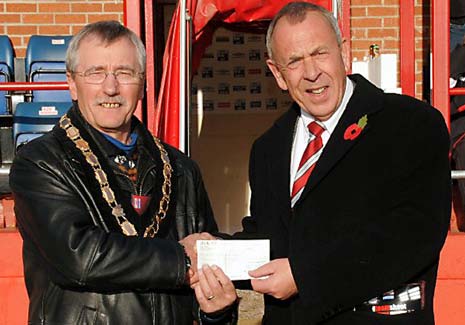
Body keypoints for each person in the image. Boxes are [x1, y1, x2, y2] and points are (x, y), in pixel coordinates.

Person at [233, 2, 451, 324]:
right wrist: (214, 252)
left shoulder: (412, 125)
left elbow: (413, 233)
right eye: (294, 61)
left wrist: (305, 276)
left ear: (342, 51)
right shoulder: (267, 148)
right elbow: (270, 238)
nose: (311, 72)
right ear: (278, 73)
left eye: (320, 53)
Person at [9, 20, 237, 324]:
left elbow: (203, 271)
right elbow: (80, 256)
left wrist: (216, 311)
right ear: (72, 84)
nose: (111, 87)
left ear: (142, 83)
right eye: (96, 73)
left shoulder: (182, 170)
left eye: (124, 73)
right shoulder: (39, 163)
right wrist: (180, 260)